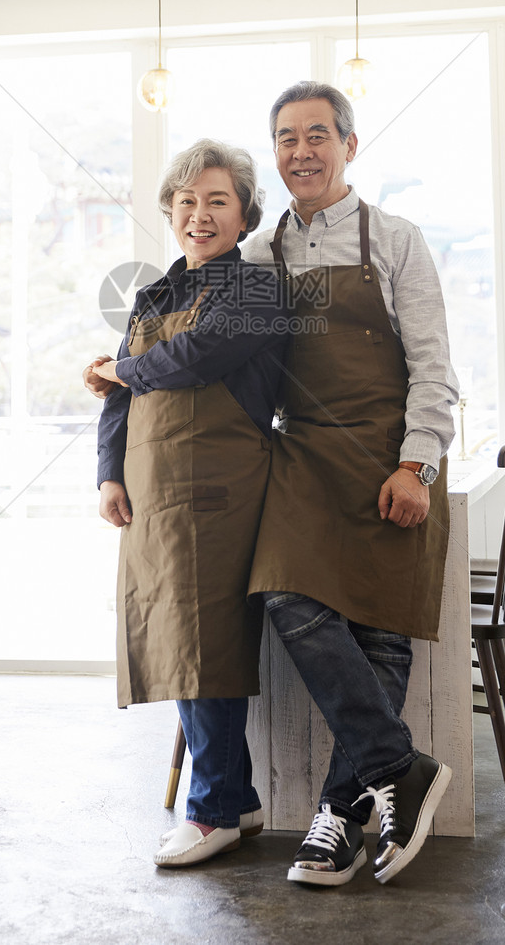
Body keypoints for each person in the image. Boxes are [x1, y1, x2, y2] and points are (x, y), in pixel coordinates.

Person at [242, 80, 459, 888]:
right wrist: (127, 373)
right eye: (286, 139)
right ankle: (398, 766)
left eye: (316, 136)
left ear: (349, 146)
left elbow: (434, 367)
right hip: (300, 459)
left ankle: (339, 814)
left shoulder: (396, 240)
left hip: (384, 458)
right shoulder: (260, 255)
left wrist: (416, 463)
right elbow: (225, 360)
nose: (301, 152)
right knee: (286, 597)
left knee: (379, 633)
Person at [84, 139, 288, 869]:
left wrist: (123, 367)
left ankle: (212, 813)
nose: (199, 215)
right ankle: (238, 800)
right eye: (186, 201)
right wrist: (111, 474)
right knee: (178, 644)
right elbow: (117, 395)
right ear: (171, 209)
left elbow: (195, 355)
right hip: (151, 495)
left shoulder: (259, 291)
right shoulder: (152, 295)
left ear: (244, 215)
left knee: (207, 649)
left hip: (219, 493)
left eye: (217, 201)